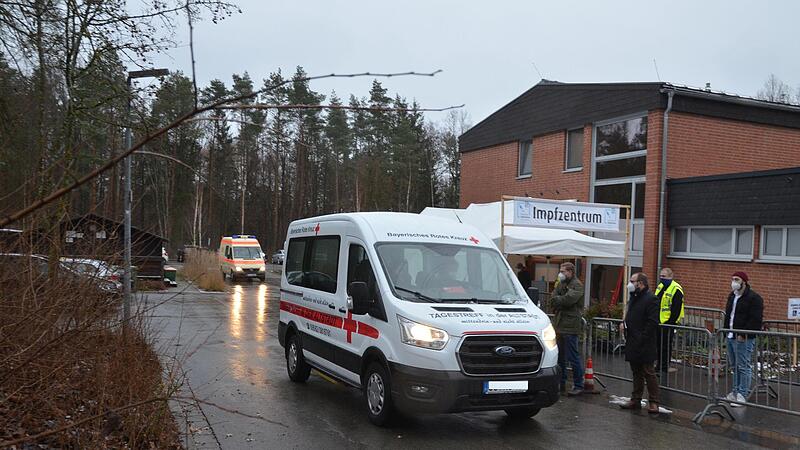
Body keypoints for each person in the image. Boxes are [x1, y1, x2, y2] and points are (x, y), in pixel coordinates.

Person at [620, 272, 661, 413]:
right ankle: (635, 399)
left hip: (645, 342)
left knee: (648, 372)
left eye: (632, 281)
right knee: (636, 372)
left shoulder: (651, 299)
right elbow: (631, 315)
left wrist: (642, 337)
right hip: (632, 340)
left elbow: (652, 322)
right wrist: (625, 324)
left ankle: (654, 401)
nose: (630, 284)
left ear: (641, 283)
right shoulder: (634, 298)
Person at [724, 271, 763, 406]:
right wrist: (725, 332)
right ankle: (735, 391)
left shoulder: (754, 298)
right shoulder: (732, 296)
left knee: (743, 366)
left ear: (744, 282)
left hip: (743, 338)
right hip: (730, 335)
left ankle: (742, 393)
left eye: (737, 279)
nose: (734, 282)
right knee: (734, 365)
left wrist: (744, 334)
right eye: (733, 279)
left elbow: (755, 320)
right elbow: (729, 315)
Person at [550, 262, 584, 396]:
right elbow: (552, 299)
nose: (561, 274)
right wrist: (559, 300)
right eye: (561, 271)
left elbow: (569, 300)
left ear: (570, 272)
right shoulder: (561, 284)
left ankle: (578, 385)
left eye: (563, 271)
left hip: (570, 326)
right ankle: (561, 382)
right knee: (560, 357)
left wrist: (559, 300)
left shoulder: (577, 285)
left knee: (573, 357)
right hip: (559, 324)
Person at [654, 267, 684, 374]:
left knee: (665, 345)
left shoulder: (676, 288)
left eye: (664, 276)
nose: (661, 278)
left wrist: (670, 323)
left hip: (668, 323)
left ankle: (664, 366)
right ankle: (658, 365)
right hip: (658, 321)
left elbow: (676, 308)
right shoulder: (660, 286)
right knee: (658, 344)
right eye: (661, 276)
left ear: (671, 276)